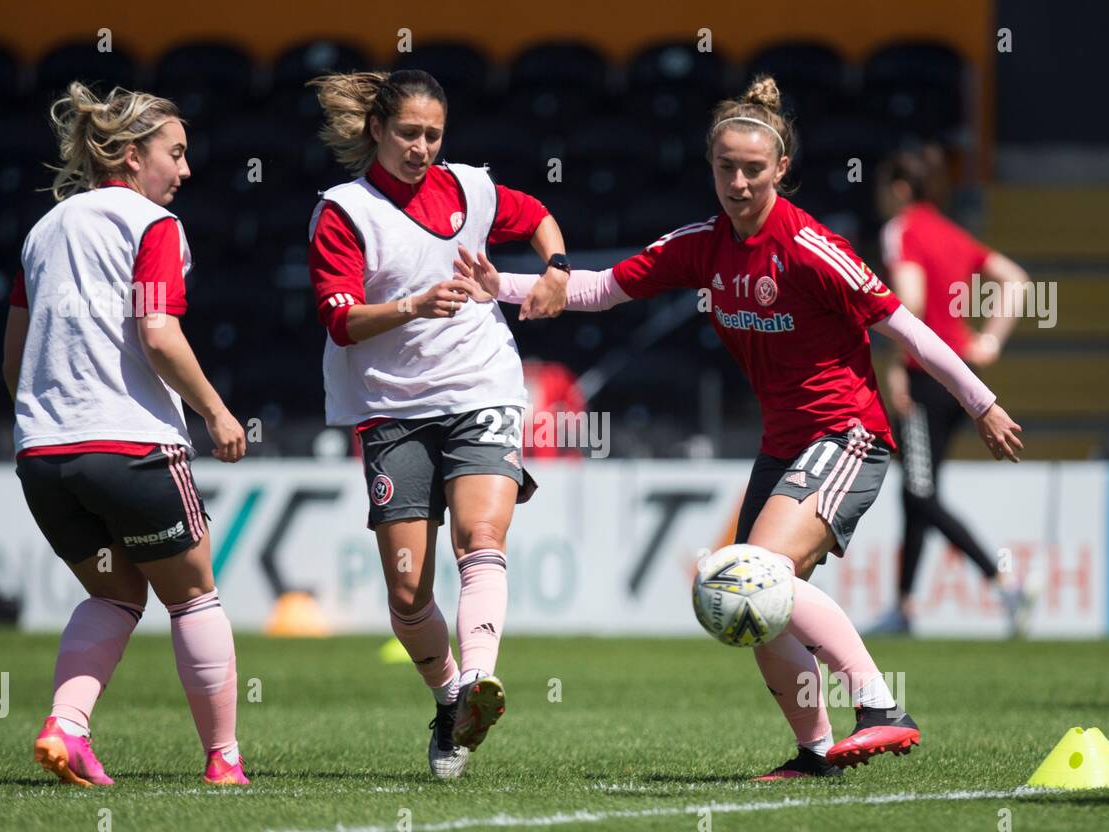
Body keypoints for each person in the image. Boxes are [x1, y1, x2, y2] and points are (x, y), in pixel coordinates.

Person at [457, 75, 1023, 779]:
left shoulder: (814, 247)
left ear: (781, 169)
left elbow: (907, 329)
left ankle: (881, 708)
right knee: (744, 604)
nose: (738, 181)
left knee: (754, 577)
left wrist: (981, 402)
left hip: (847, 433)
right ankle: (818, 752)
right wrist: (501, 286)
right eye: (726, 167)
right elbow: (601, 289)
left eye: (754, 168)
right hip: (784, 446)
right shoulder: (703, 244)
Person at [306, 70, 569, 779]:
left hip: (482, 386)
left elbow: (537, 213)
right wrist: (413, 306)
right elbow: (340, 320)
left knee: (481, 533)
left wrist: (556, 268)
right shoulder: (343, 212)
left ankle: (481, 675)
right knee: (406, 590)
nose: (423, 148)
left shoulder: (470, 188)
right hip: (392, 407)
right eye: (409, 134)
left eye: (434, 135)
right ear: (376, 132)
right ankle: (452, 698)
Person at [3, 82, 249, 787]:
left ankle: (67, 727)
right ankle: (224, 761)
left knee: (115, 593)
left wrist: (47, 423)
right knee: (194, 594)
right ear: (133, 155)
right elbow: (159, 334)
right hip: (132, 448)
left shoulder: (42, 232)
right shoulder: (151, 225)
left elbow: (13, 362)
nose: (185, 170)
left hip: (44, 458)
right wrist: (216, 411)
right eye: (175, 154)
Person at [868, 148, 1034, 635]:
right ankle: (904, 607)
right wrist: (989, 342)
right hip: (958, 378)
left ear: (900, 189)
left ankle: (1005, 581)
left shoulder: (902, 230)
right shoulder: (950, 232)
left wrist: (896, 366)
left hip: (925, 380)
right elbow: (1016, 280)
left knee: (918, 492)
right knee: (918, 491)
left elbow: (910, 302)